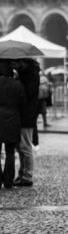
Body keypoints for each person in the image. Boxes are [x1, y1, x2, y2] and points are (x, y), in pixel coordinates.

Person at [0, 60, 26, 190]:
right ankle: (8, 181)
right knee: (10, 152)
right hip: (13, 120)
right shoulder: (18, 85)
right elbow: (23, 103)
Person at [14, 59, 40, 187]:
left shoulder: (31, 75)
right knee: (20, 147)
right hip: (22, 114)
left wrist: (18, 83)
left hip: (27, 115)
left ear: (22, 63)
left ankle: (28, 175)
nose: (13, 65)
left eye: (15, 62)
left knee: (25, 147)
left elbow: (28, 94)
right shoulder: (24, 74)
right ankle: (22, 173)